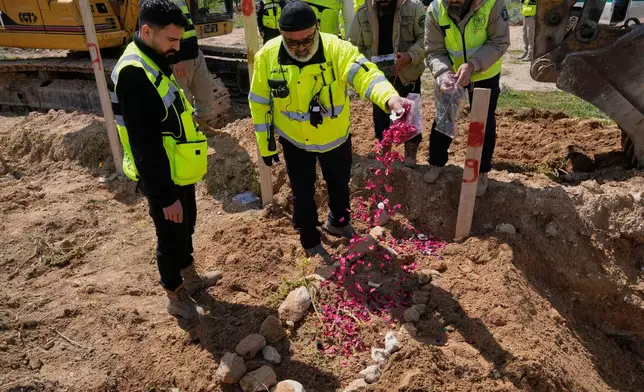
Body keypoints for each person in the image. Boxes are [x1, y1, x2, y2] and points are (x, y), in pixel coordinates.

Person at [248, 1, 411, 261]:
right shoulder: (267, 56)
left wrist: (390, 99)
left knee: (339, 184)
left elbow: (367, 75)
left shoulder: (338, 49)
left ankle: (339, 221)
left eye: (307, 40)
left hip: (334, 137)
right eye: (292, 42)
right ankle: (310, 238)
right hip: (294, 140)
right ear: (281, 35)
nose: (300, 48)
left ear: (318, 28)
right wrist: (266, 145)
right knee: (302, 191)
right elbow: (259, 103)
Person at [110, 0, 222, 320]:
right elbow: (145, 142)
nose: (176, 47)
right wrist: (164, 196)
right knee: (169, 235)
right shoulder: (134, 73)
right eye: (171, 40)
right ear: (147, 31)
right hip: (162, 175)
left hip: (177, 167)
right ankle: (175, 294)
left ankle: (190, 276)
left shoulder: (154, 56)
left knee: (185, 226)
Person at [423, 0, 510, 196]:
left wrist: (472, 65)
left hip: (485, 72)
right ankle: (436, 163)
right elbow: (434, 50)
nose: (453, 1)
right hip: (451, 74)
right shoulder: (436, 9)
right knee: (444, 118)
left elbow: (499, 42)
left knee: (483, 123)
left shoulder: (492, 4)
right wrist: (443, 72)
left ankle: (482, 171)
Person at [349, 0, 426, 167]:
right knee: (380, 111)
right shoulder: (363, 13)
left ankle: (410, 151)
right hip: (378, 73)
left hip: (407, 70)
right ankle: (384, 146)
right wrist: (365, 70)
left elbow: (425, 38)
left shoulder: (413, 8)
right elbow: (355, 46)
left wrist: (410, 55)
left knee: (410, 108)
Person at [169, 0, 217, 136]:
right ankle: (186, 131)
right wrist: (175, 59)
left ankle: (201, 125)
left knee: (205, 90)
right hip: (180, 58)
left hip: (195, 52)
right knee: (183, 96)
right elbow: (164, 32)